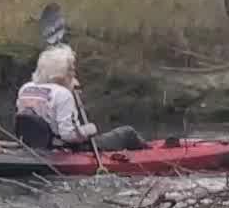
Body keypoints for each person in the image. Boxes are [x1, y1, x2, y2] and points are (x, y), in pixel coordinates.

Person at [13, 44, 147, 152]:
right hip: (63, 148)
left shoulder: (26, 88)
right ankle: (151, 153)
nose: (74, 73)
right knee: (127, 132)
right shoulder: (63, 94)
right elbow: (69, 136)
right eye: (71, 70)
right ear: (60, 73)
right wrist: (90, 129)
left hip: (34, 145)